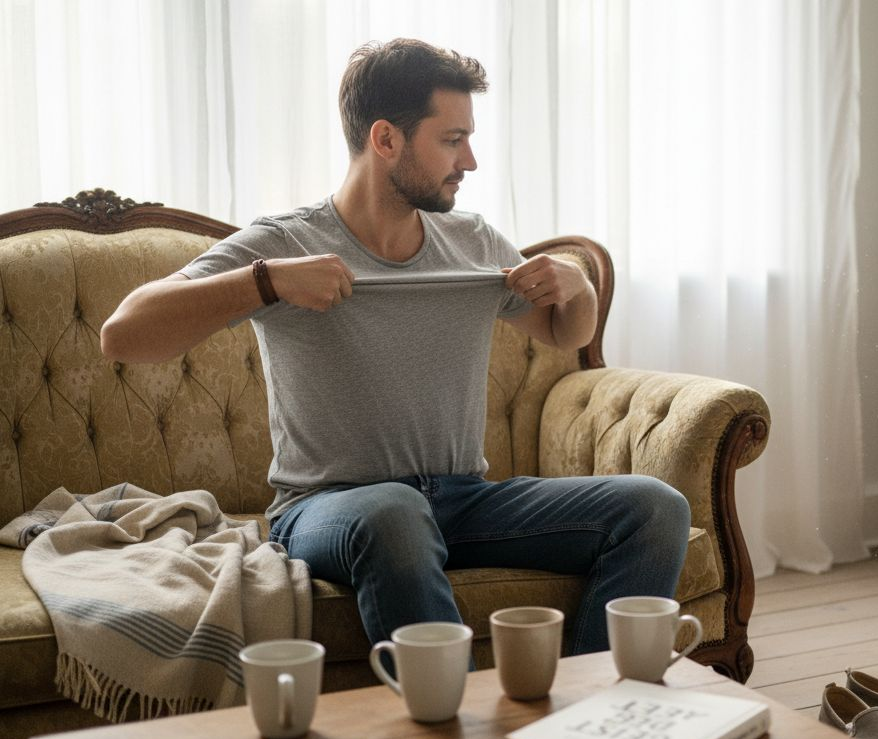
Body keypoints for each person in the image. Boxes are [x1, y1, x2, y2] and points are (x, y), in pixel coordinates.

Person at [99, 38, 691, 654]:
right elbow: (124, 333)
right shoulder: (285, 242)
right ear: (386, 139)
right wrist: (267, 281)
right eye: (452, 140)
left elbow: (562, 332)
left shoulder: (473, 240)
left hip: (465, 501)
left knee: (655, 508)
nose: (471, 161)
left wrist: (577, 287)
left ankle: (591, 713)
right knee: (394, 512)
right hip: (328, 510)